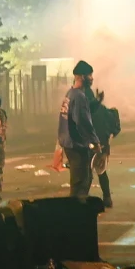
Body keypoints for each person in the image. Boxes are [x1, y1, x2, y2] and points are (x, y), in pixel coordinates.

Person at [58, 60, 100, 200]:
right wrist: (95, 141)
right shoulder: (79, 96)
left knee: (77, 181)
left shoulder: (69, 94)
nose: (92, 78)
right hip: (77, 145)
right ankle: (77, 215)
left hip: (68, 143)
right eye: (90, 75)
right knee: (81, 183)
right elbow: (83, 122)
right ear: (82, 76)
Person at [90, 89, 121, 209]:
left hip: (93, 146)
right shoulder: (104, 110)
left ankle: (82, 200)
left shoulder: (89, 111)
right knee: (101, 172)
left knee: (88, 174)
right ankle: (107, 198)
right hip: (102, 146)